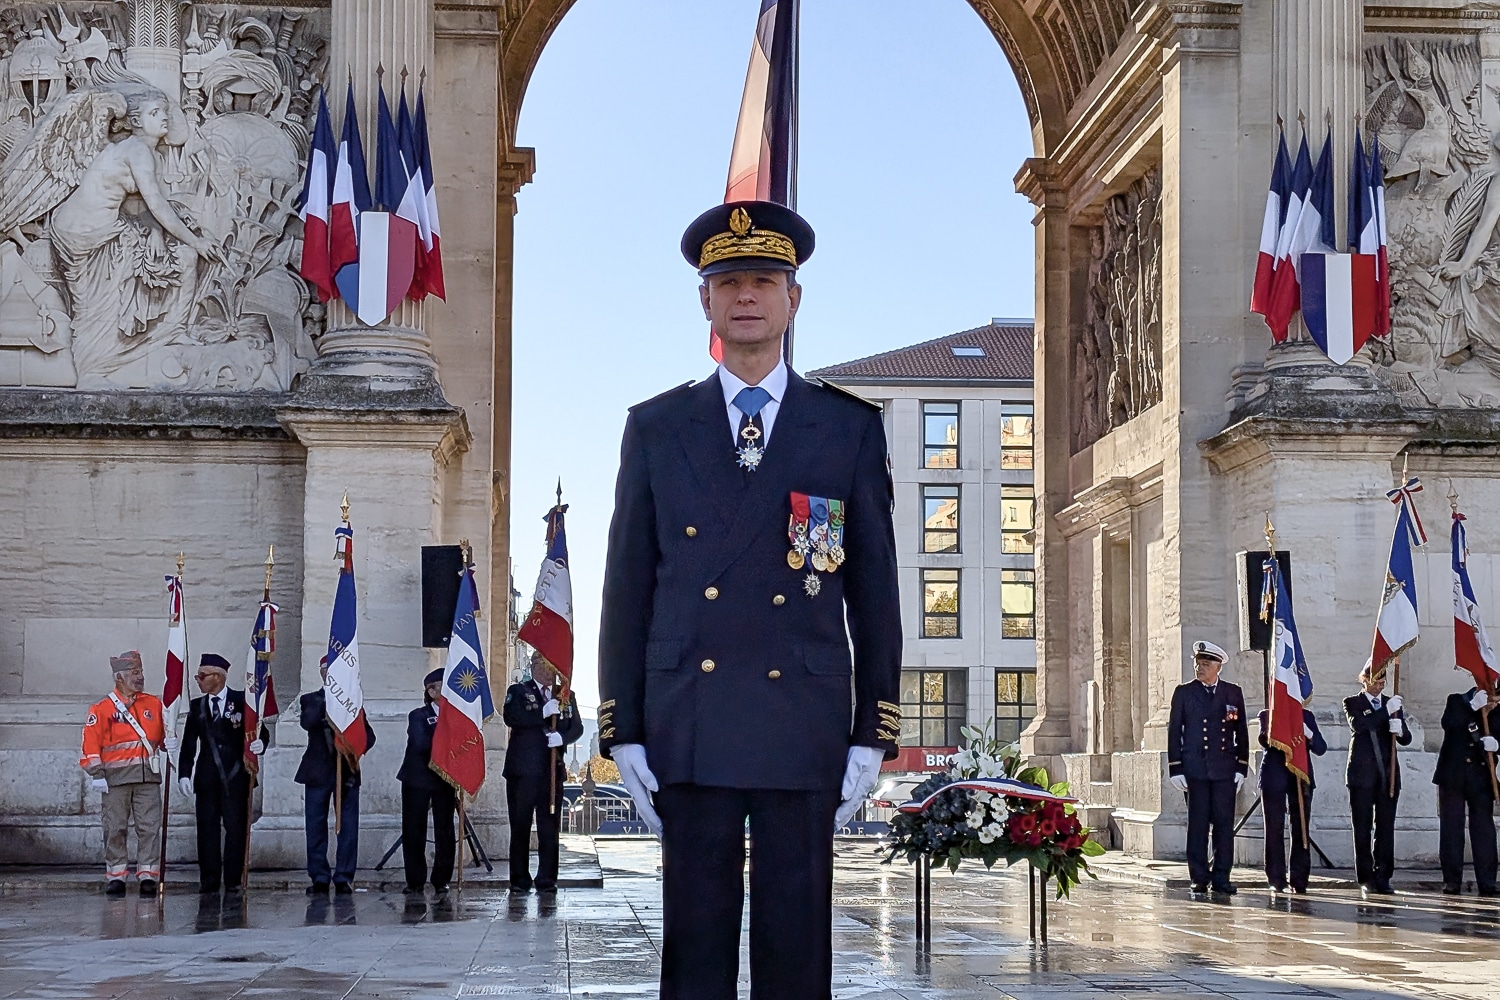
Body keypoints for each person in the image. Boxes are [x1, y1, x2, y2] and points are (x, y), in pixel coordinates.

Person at [597, 200, 902, 999]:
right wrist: (622, 727)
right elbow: (627, 586)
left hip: (801, 721)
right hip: (688, 722)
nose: (746, 296)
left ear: (793, 299)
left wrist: (872, 733)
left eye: (764, 280)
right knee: (694, 945)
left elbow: (873, 593)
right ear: (705, 301)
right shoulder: (657, 427)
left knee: (796, 945)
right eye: (728, 281)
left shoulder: (847, 430)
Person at [80, 650, 175, 897]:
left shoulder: (153, 704)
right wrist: (96, 773)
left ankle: (148, 875)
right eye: (135, 673)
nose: (140, 677)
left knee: (150, 828)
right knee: (115, 828)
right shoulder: (101, 709)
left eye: (141, 672)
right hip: (115, 780)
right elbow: (90, 744)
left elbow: (162, 738)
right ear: (119, 677)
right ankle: (116, 875)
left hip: (147, 780)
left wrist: (171, 743)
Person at [177, 653, 266, 895]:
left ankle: (234, 880)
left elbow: (259, 730)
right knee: (207, 830)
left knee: (236, 830)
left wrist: (260, 745)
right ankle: (209, 879)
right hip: (206, 779)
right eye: (198, 676)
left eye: (202, 676)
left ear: (218, 676)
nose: (199, 680)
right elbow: (189, 745)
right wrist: (184, 773)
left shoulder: (241, 701)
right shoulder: (197, 706)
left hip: (236, 777)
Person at [1166, 640, 1249, 896]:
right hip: (1195, 770)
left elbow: (1241, 732)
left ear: (1218, 666)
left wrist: (1241, 767)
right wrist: (1175, 768)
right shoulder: (1185, 692)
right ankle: (1199, 877)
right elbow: (1174, 732)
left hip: (1224, 769)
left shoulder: (1232, 693)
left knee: (1224, 827)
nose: (1199, 668)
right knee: (1198, 826)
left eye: (1205, 664)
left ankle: (1222, 877)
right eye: (1197, 663)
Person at [503, 653, 583, 893]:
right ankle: (519, 879)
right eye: (542, 665)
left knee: (549, 826)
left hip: (551, 770)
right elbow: (511, 717)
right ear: (533, 666)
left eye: (552, 667)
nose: (548, 672)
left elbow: (577, 727)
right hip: (523, 771)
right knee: (521, 825)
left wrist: (562, 738)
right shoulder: (518, 691)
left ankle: (547, 878)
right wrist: (541, 714)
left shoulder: (565, 696)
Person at [295, 664, 376, 894]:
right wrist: (332, 703)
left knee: (348, 827)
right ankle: (319, 876)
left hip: (346, 771)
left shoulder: (354, 704)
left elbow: (368, 736)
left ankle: (344, 876)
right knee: (315, 826)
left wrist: (353, 747)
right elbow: (307, 722)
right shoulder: (311, 699)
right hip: (318, 771)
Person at [1344, 658, 1411, 895]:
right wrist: (1386, 711)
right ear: (1364, 680)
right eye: (1375, 681)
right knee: (1362, 827)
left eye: (1383, 680)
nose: (1380, 685)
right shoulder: (1352, 702)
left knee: (1385, 827)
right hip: (1361, 776)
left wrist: (1399, 728)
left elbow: (1406, 738)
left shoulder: (1390, 704)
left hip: (1388, 774)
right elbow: (1361, 725)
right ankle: (1365, 876)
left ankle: (1383, 875)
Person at [397, 668, 458, 896]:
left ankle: (442, 879)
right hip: (418, 777)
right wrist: (447, 740)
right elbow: (420, 743)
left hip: (445, 778)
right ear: (431, 691)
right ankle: (415, 880)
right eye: (443, 685)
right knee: (414, 830)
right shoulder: (418, 715)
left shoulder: (456, 716)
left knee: (445, 830)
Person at [1435, 684, 1500, 895]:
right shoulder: (1457, 701)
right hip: (1453, 776)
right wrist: (1473, 708)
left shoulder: (1498, 712)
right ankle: (1452, 880)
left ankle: (1488, 881)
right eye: (1490, 700)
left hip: (1481, 778)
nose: (1493, 705)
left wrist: (1497, 745)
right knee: (1452, 829)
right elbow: (1450, 725)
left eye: (1496, 702)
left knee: (1484, 832)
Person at [1255, 705, 1326, 893]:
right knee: (1274, 828)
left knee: (1301, 828)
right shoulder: (1267, 715)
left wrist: (1307, 732)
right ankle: (1276, 879)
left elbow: (1321, 747)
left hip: (1300, 777)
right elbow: (1265, 740)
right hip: (1274, 777)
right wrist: (1284, 724)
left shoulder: (1307, 716)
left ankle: (1299, 878)